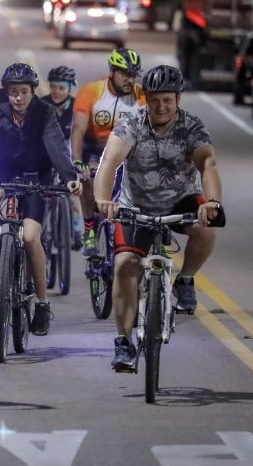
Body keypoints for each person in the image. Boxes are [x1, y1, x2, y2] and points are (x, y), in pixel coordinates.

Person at [94, 65, 224, 371]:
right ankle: (124, 343)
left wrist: (213, 202)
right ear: (145, 98)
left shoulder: (191, 126)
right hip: (135, 206)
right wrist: (102, 200)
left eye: (167, 99)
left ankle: (187, 280)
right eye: (154, 100)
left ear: (178, 98)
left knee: (207, 231)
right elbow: (109, 161)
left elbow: (208, 163)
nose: (161, 106)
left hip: (180, 202)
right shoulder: (132, 123)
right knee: (125, 266)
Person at [0, 63, 82, 336]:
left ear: (33, 92)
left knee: (31, 237)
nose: (17, 98)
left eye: (23, 92)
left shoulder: (45, 114)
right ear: (5, 93)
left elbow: (55, 144)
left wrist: (68, 175)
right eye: (12, 93)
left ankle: (42, 303)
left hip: (36, 179)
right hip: (4, 177)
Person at [70, 48, 145, 256]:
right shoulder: (92, 91)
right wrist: (77, 162)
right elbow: (77, 130)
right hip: (94, 149)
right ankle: (90, 230)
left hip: (126, 152)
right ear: (112, 71)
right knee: (87, 178)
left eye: (134, 75)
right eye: (125, 74)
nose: (130, 80)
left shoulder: (141, 97)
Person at [41, 65, 84, 249]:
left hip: (69, 153)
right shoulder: (41, 105)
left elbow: (84, 136)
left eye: (62, 87)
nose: (57, 92)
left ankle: (75, 230)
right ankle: (41, 230)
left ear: (70, 88)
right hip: (46, 153)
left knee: (74, 191)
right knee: (42, 195)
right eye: (53, 87)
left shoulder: (77, 108)